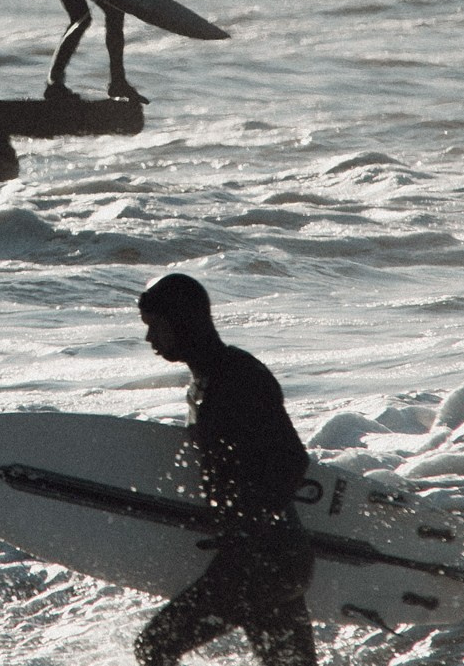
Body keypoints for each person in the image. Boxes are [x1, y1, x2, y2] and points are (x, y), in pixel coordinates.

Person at [134, 273, 316, 666]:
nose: (150, 339)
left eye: (155, 326)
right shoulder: (207, 379)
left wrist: (248, 524)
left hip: (262, 560)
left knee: (154, 647)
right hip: (272, 559)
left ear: (182, 321)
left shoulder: (237, 376)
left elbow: (292, 460)